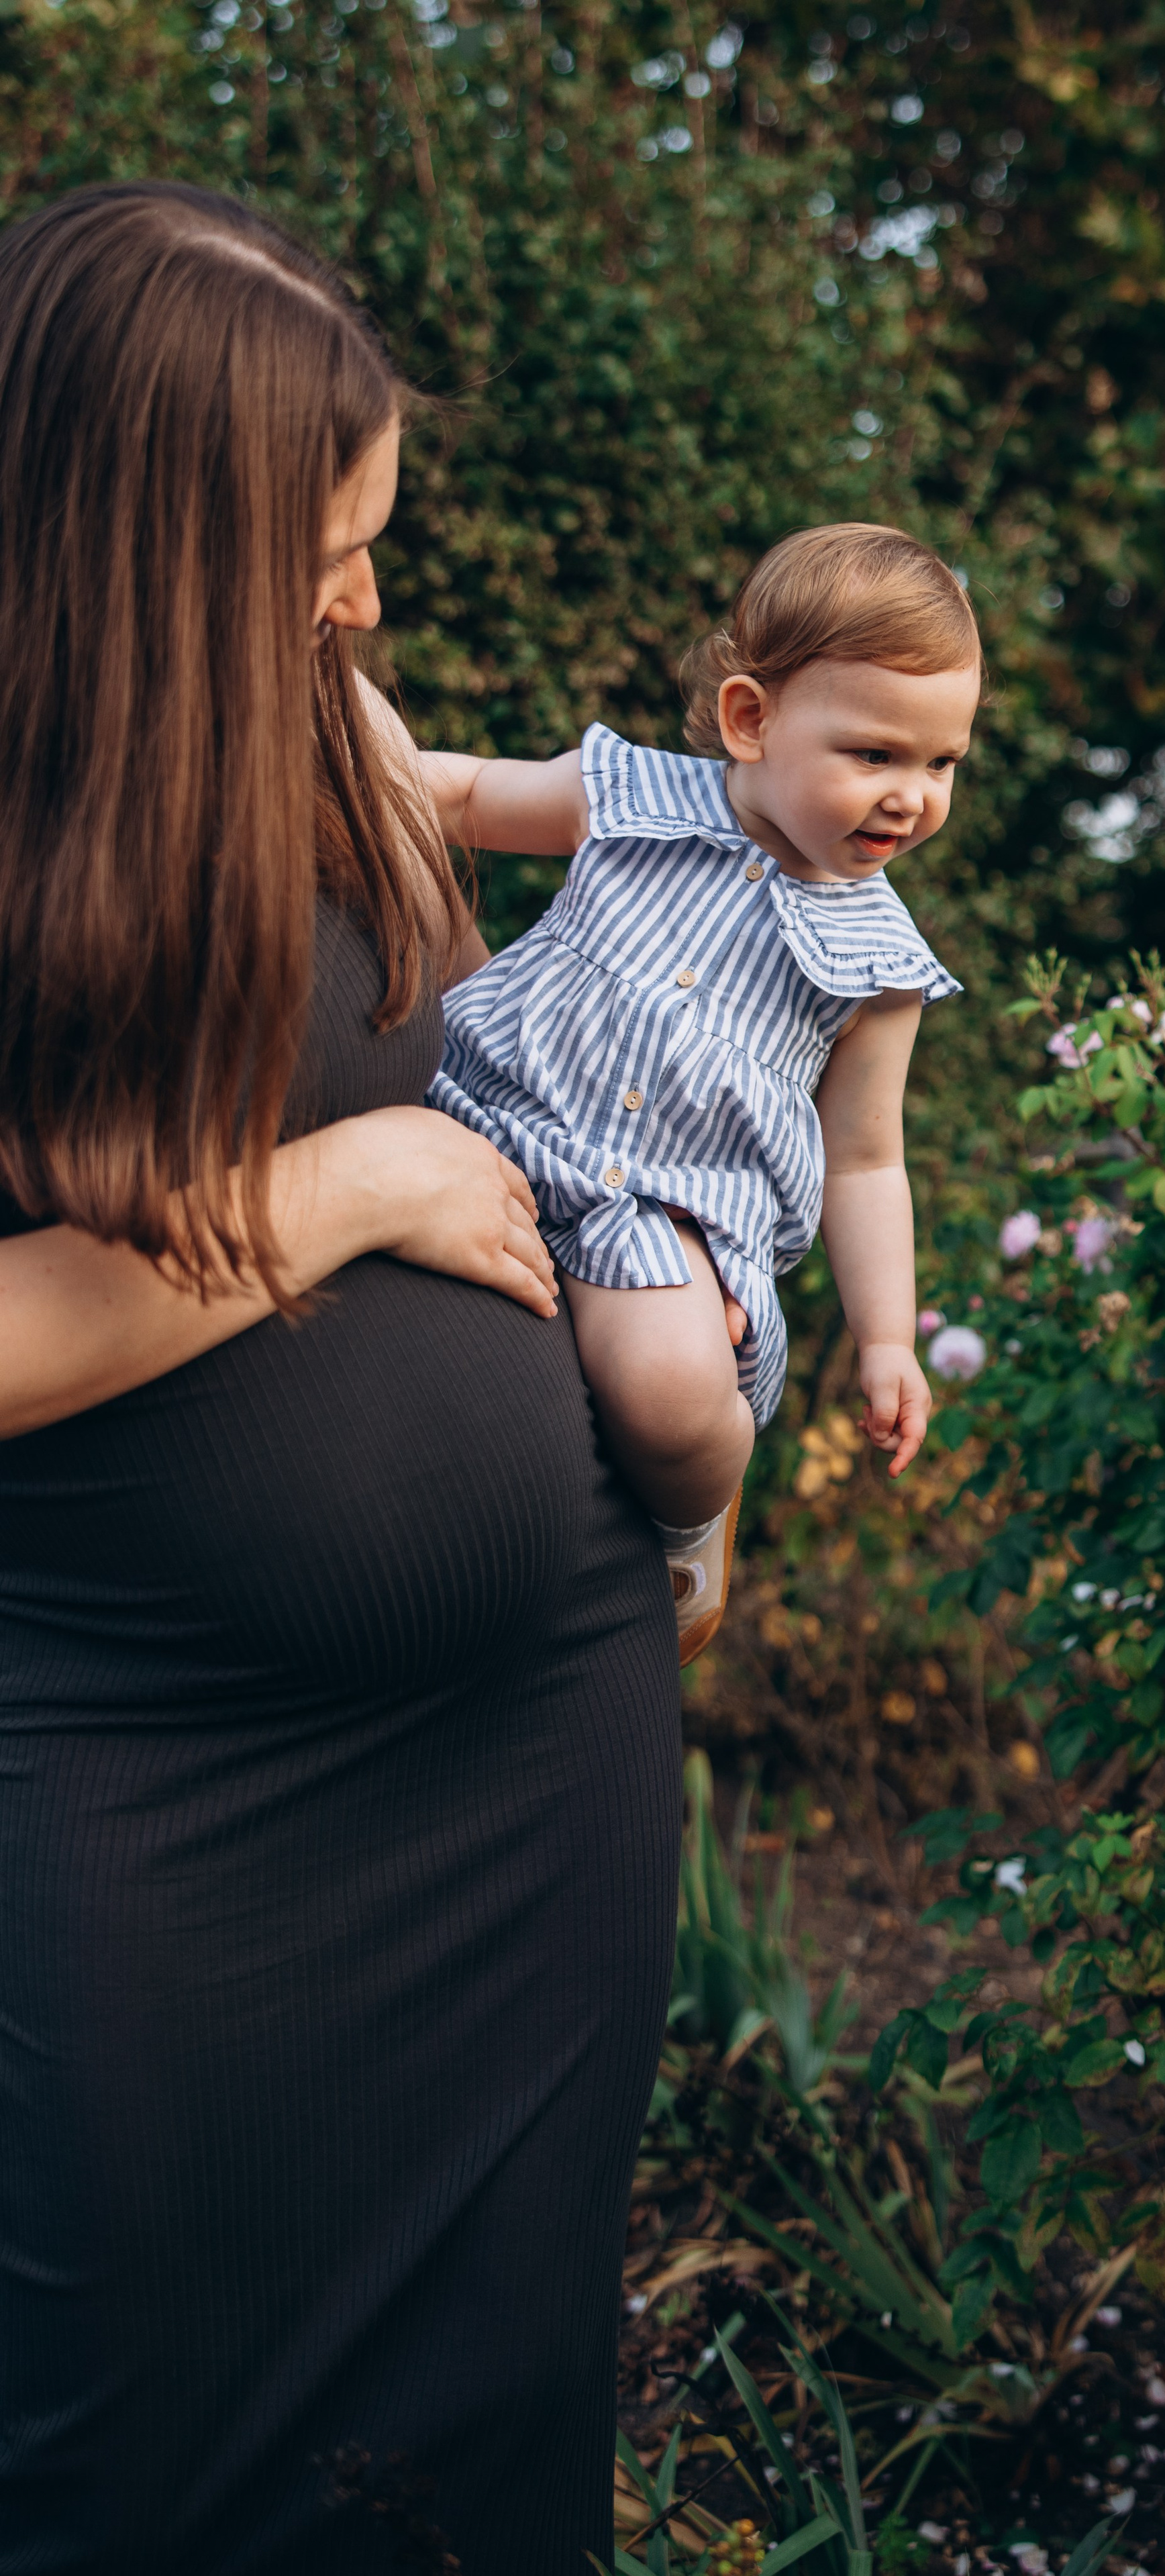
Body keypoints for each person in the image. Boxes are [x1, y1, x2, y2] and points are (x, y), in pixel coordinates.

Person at [0, 181, 682, 2573]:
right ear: (137, 542)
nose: (366, 595)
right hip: (162, 1787)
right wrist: (345, 1196)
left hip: (530, 1771)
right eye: (325, 545)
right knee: (127, 2464)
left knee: (485, 2459)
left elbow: (491, 1078)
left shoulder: (322, 724)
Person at [428, 526, 982, 1656]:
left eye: (942, 763)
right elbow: (474, 796)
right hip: (481, 1106)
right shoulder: (625, 797)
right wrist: (346, 768)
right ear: (751, 720)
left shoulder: (882, 960)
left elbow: (867, 1157)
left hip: (663, 1213)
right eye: (876, 754)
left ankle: (691, 1524)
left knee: (673, 1389)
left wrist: (887, 1336)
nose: (912, 797)